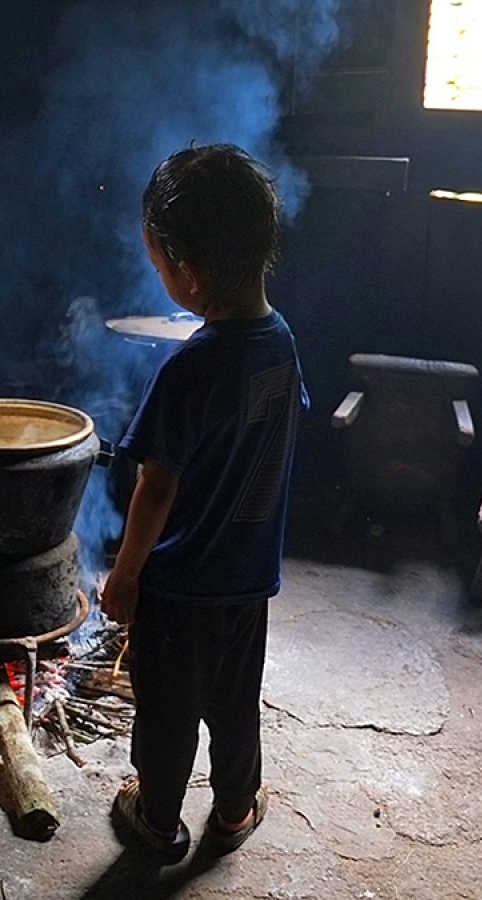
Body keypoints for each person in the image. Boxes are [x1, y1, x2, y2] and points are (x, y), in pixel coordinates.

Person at [101, 144, 306, 863]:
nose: (162, 278)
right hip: (248, 581)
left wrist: (125, 575)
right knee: (232, 701)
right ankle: (234, 809)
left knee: (166, 711)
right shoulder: (282, 344)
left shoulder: (190, 366)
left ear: (188, 273)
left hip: (179, 585)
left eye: (159, 266)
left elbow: (156, 487)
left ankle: (157, 821)